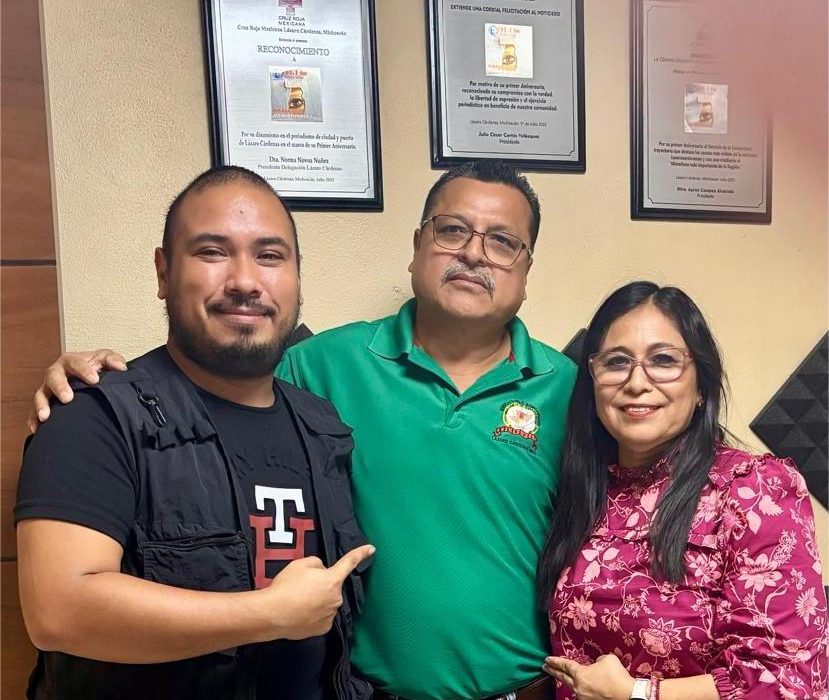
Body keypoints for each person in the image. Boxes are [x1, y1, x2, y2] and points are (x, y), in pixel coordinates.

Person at [29, 161, 578, 700]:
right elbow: (214, 370)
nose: (474, 253)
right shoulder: (320, 366)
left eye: (503, 241)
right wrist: (93, 385)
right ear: (417, 245)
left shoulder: (574, 392)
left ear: (527, 269)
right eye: (452, 230)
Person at [15, 166, 375, 700]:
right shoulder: (94, 414)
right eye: (212, 252)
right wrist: (269, 614)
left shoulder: (323, 424)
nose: (245, 281)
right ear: (163, 273)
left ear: (297, 277)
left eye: (270, 256)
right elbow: (59, 611)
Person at [537, 281, 828, 700]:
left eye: (663, 360)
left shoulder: (753, 490)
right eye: (616, 362)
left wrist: (638, 693)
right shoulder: (585, 490)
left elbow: (788, 681)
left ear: (701, 388)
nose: (637, 382)